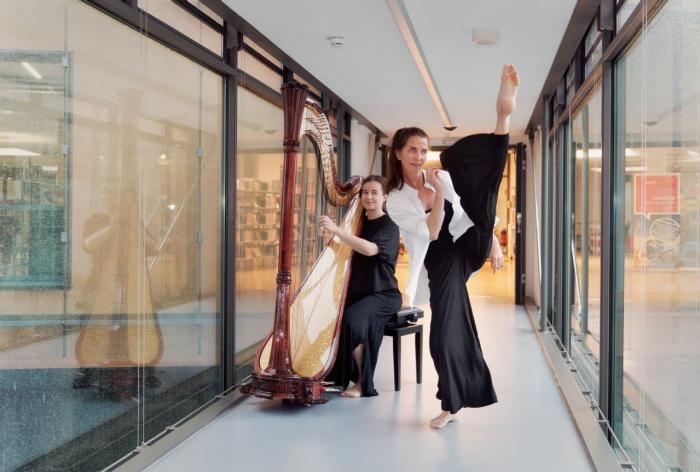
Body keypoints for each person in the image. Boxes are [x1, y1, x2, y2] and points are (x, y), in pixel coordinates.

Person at [385, 64, 519, 428]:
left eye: (423, 149)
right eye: (412, 150)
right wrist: (439, 196)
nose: (418, 156)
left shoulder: (439, 174)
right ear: (398, 153)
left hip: (469, 242)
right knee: (446, 332)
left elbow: (471, 209)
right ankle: (451, 403)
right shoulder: (395, 199)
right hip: (441, 259)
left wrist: (492, 242)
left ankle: (503, 115)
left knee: (476, 183)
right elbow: (431, 232)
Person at [321, 175, 402, 398]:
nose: (368, 196)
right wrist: (330, 238)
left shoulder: (389, 226)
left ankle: (361, 382)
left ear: (384, 197)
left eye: (374, 192)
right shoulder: (357, 223)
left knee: (351, 320)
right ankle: (328, 373)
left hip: (383, 293)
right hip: (358, 291)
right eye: (365, 192)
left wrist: (338, 231)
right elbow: (346, 252)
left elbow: (369, 250)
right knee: (328, 315)